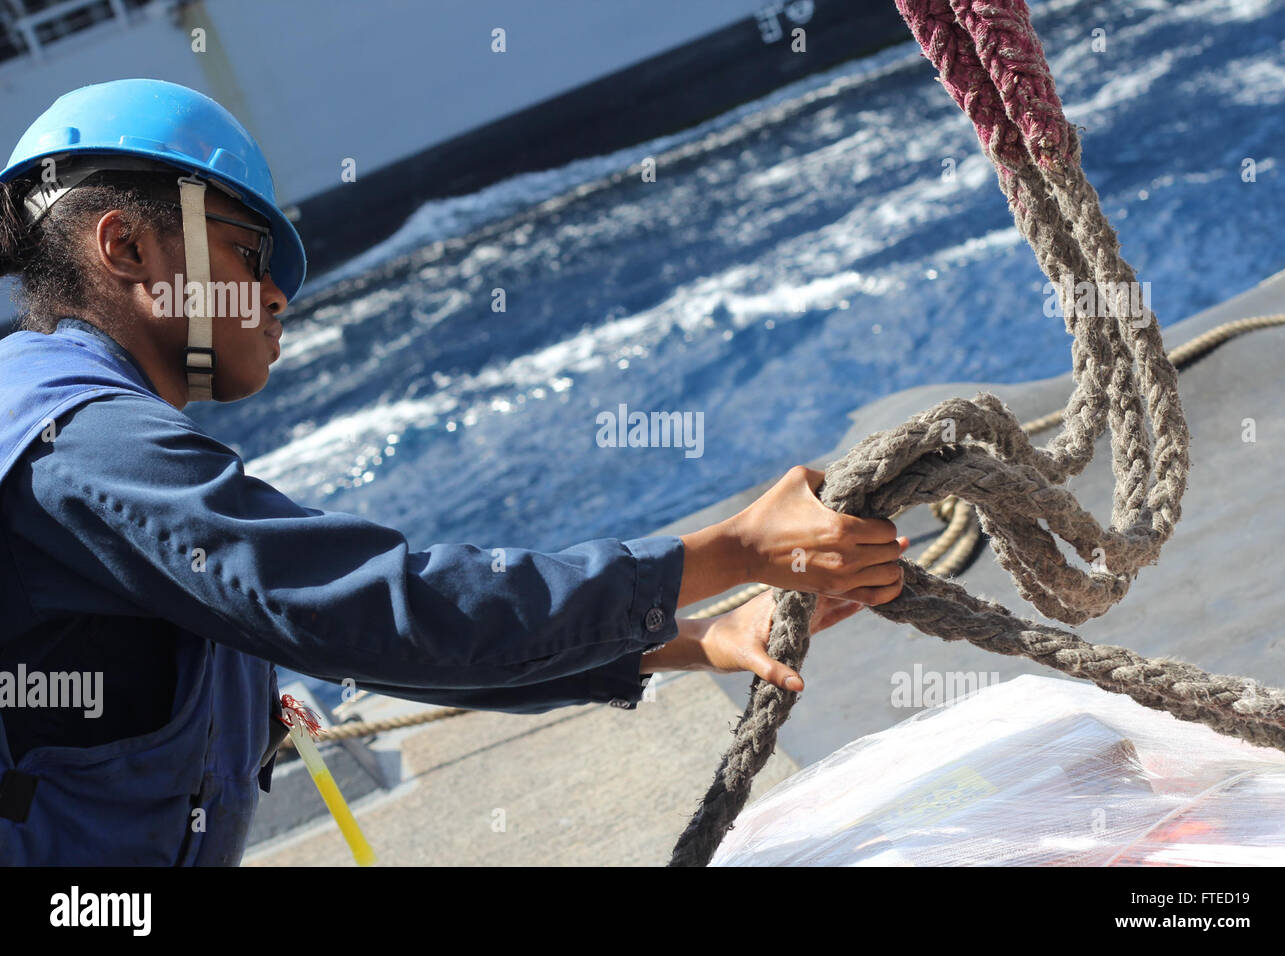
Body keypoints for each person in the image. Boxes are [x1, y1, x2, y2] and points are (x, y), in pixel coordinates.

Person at [0, 79, 908, 866]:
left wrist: (684, 636)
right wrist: (733, 549)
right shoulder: (79, 445)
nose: (278, 295)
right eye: (248, 252)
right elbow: (385, 610)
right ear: (124, 249)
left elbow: (370, 637)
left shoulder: (70, 425)